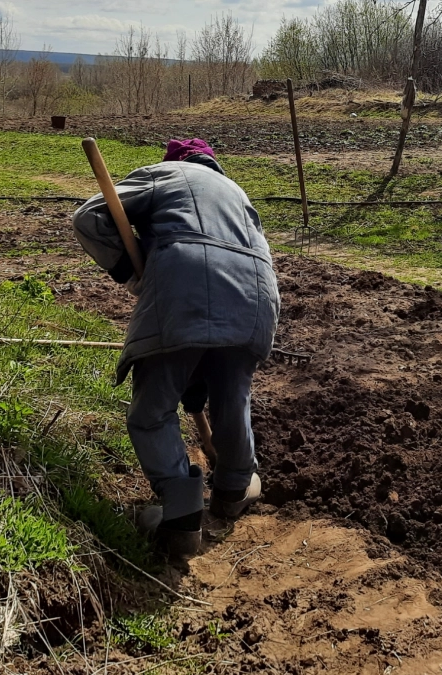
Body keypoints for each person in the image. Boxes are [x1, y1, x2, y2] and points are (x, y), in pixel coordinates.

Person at [73, 139, 280, 560]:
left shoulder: (165, 174)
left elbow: (90, 216)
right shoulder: (239, 194)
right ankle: (235, 488)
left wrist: (132, 273)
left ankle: (181, 514)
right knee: (232, 397)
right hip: (258, 298)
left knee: (152, 412)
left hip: (186, 286)